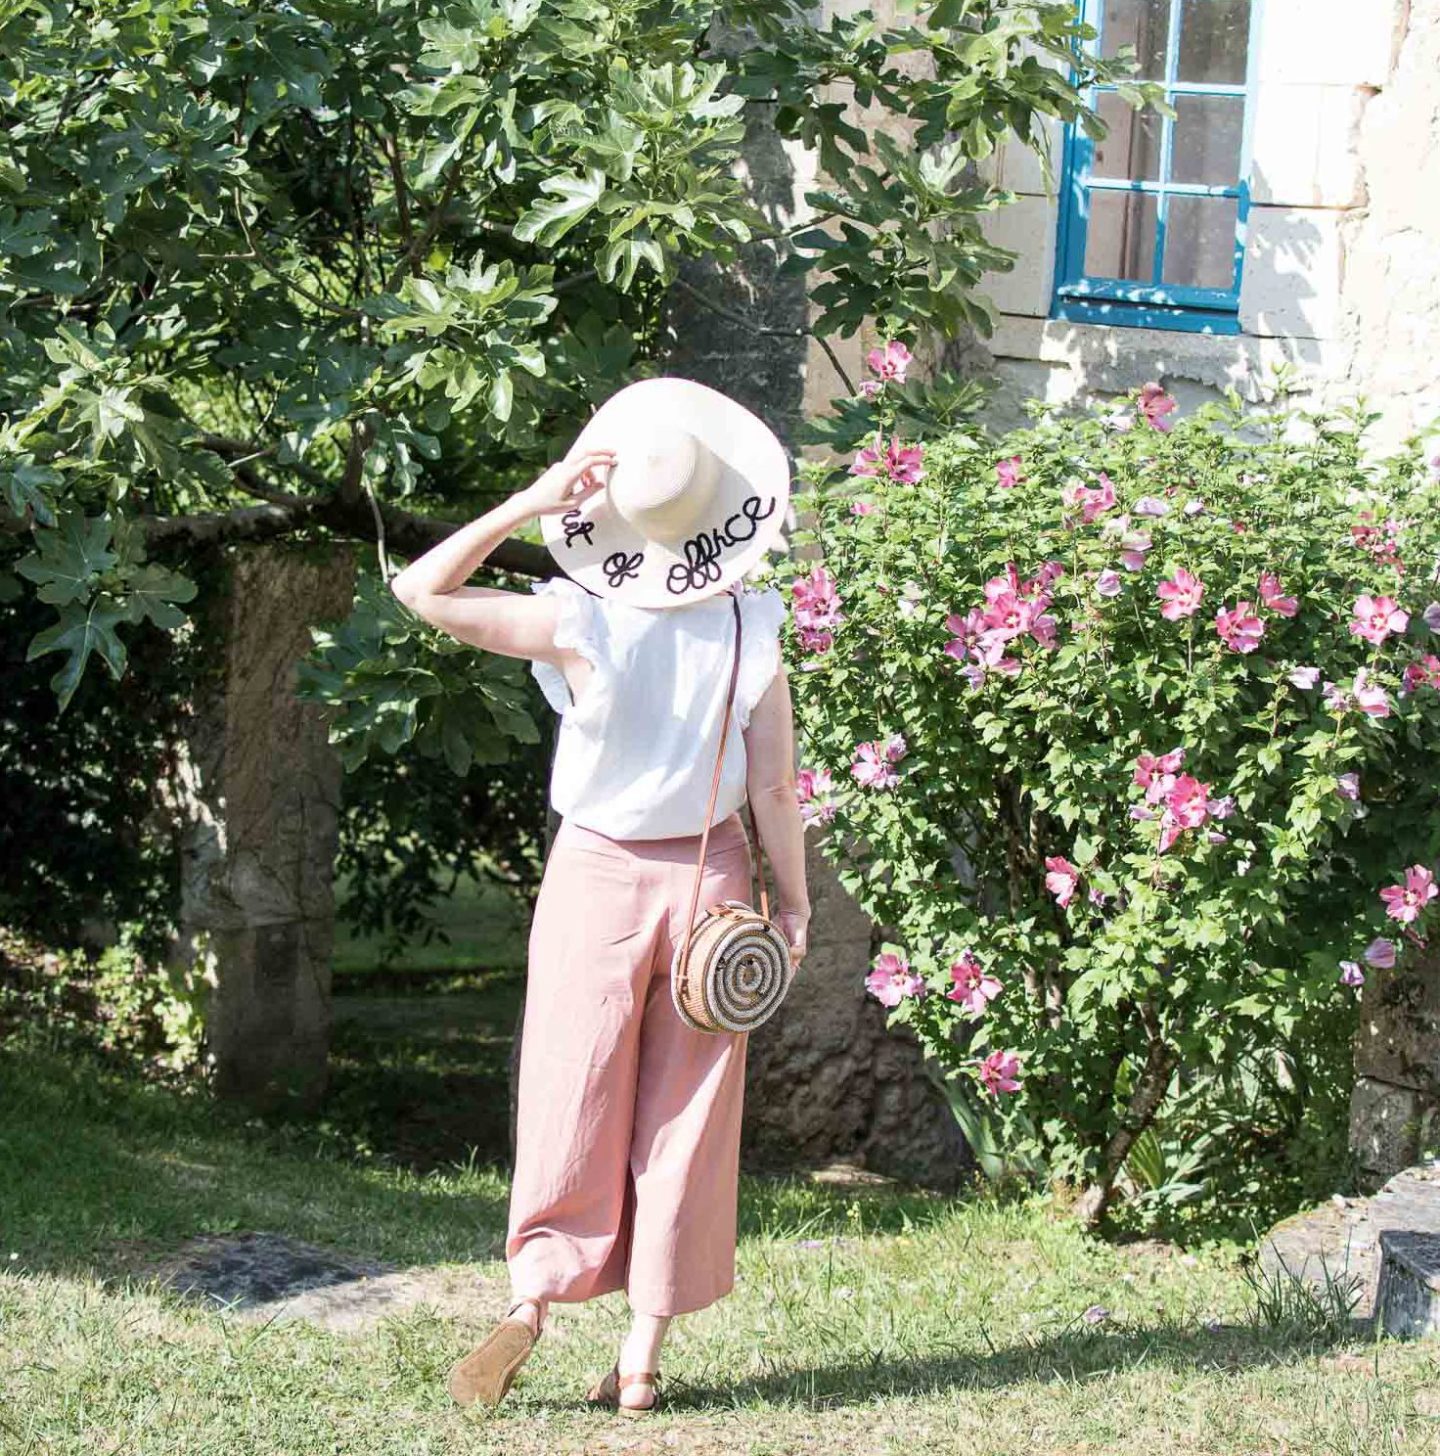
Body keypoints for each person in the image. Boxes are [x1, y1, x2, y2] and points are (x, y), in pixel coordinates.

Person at [388, 376, 811, 1416]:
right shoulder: (754, 623)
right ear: (725, 517)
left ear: (621, 515)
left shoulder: (578, 616)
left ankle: (531, 1301)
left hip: (595, 872)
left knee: (569, 1089)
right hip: (711, 882)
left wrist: (528, 503)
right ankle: (639, 1359)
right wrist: (792, 906)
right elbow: (772, 786)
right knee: (687, 1113)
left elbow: (422, 591)